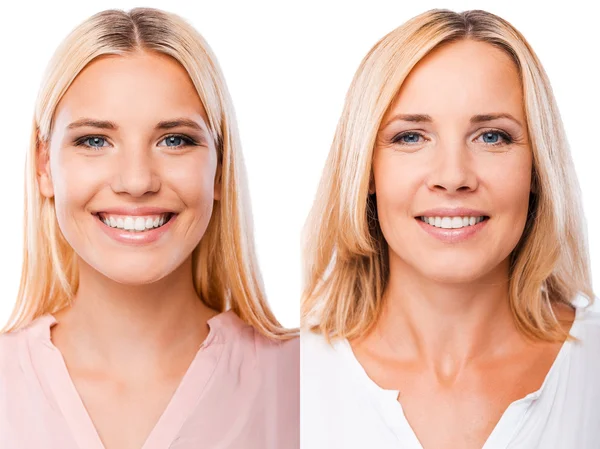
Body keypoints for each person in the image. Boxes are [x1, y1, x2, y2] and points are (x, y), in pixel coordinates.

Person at [0, 7, 298, 449]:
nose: (136, 181)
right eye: (95, 141)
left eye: (174, 140)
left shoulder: (306, 382)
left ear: (219, 168)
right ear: (45, 166)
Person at [301, 8, 598, 449]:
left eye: (492, 136)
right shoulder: (282, 380)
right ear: (365, 170)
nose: (453, 175)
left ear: (537, 168)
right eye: (411, 137)